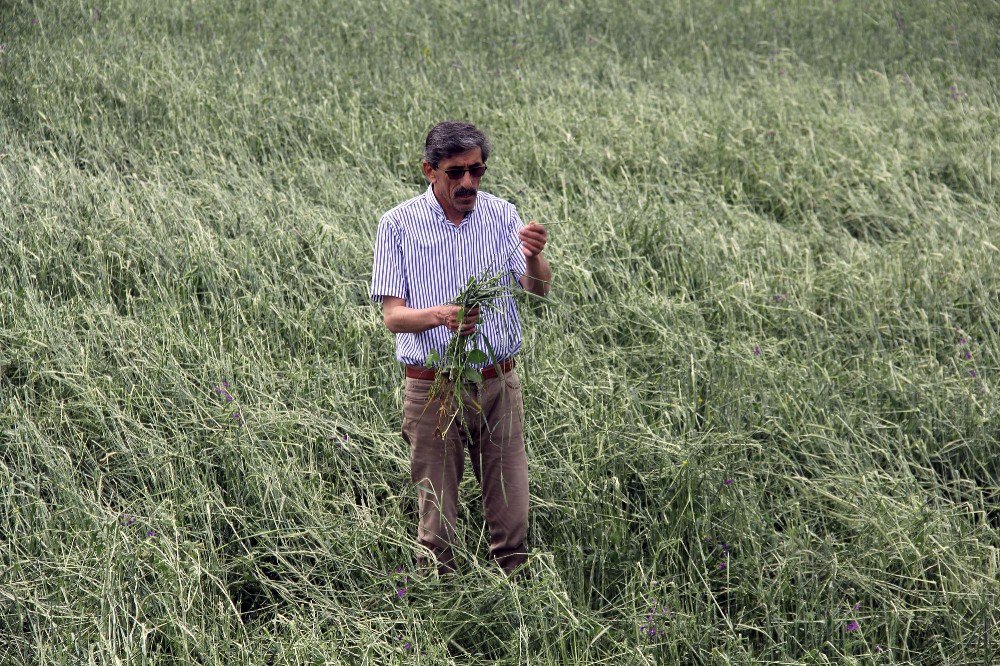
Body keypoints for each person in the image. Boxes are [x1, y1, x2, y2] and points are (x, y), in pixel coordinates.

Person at [369, 121, 551, 576]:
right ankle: (436, 612)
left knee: (513, 515)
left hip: (498, 383)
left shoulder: (502, 215)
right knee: (437, 523)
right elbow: (393, 318)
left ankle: (514, 601)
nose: (468, 182)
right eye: (456, 172)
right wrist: (444, 317)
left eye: (477, 171)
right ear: (430, 171)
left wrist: (534, 255)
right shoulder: (397, 225)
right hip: (434, 388)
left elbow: (537, 288)